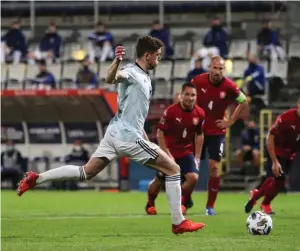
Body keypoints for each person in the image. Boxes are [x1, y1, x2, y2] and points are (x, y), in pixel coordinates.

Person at [17, 36, 205, 234]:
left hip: (115, 133)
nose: (158, 60)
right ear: (147, 55)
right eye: (157, 56)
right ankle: (178, 222)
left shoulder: (145, 77)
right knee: (174, 170)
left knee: (86, 172)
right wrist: (116, 61)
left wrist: (147, 141)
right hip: (127, 137)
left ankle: (36, 178)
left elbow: (135, 115)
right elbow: (110, 78)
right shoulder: (132, 72)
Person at [191, 56, 249, 215]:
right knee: (189, 169)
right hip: (197, 131)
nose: (217, 71)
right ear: (210, 67)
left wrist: (230, 121)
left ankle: (210, 206)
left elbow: (243, 102)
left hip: (217, 132)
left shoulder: (229, 86)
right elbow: (186, 96)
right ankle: (184, 201)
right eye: (215, 68)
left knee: (214, 167)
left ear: (224, 70)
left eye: (221, 68)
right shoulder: (198, 81)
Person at [244, 93, 300, 215]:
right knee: (273, 179)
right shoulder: (286, 118)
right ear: (298, 105)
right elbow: (270, 137)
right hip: (276, 150)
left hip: (291, 154)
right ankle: (263, 202)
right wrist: (274, 161)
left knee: (279, 183)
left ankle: (259, 198)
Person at [146, 82, 205, 215]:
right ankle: (150, 203)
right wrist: (165, 153)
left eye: (193, 95)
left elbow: (199, 135)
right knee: (159, 179)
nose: (190, 98)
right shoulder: (171, 112)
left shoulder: (200, 113)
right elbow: (160, 134)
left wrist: (197, 157)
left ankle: (183, 202)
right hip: (169, 151)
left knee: (193, 178)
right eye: (187, 94)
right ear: (181, 95)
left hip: (186, 152)